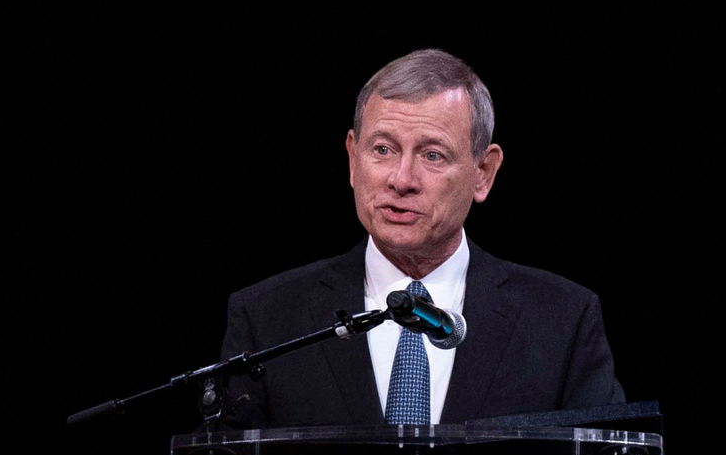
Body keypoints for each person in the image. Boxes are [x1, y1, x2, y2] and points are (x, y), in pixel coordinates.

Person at [219, 48, 624, 428]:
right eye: (382, 149)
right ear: (352, 159)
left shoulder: (562, 320)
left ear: (484, 172)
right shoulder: (267, 320)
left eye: (432, 155)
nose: (401, 180)